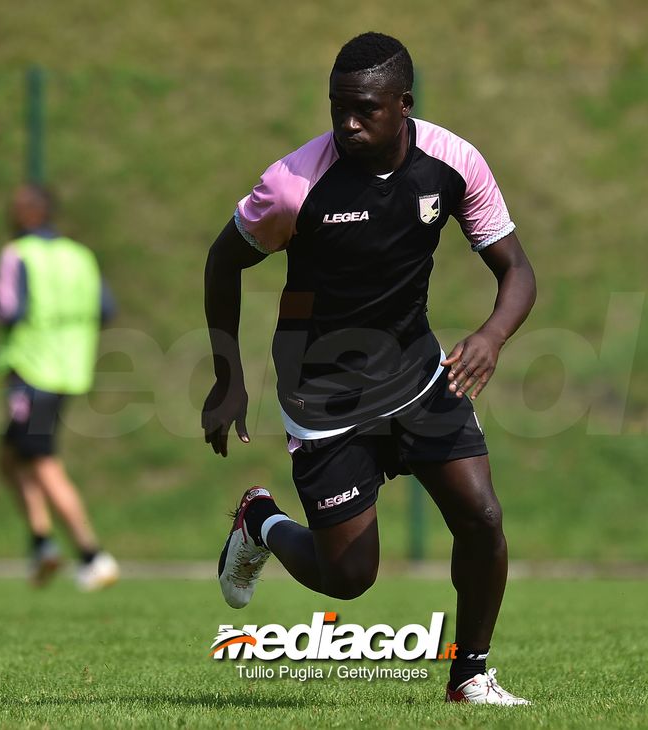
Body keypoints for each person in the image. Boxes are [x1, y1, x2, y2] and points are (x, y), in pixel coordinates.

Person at [202, 33, 536, 704]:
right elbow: (223, 261)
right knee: (350, 578)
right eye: (338, 108)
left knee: (483, 517)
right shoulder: (295, 186)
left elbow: (517, 271)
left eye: (365, 109)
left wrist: (493, 336)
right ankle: (261, 522)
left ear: (402, 105)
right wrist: (227, 375)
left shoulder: (453, 162)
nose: (348, 123)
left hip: (416, 373)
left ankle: (470, 675)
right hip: (322, 392)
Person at [0, 184, 119, 591]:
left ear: (27, 214)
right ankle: (42, 544)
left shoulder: (17, 253)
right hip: (70, 369)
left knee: (41, 460)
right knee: (11, 459)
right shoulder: (80, 256)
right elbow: (105, 309)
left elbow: (11, 310)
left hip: (32, 370)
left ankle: (93, 555)